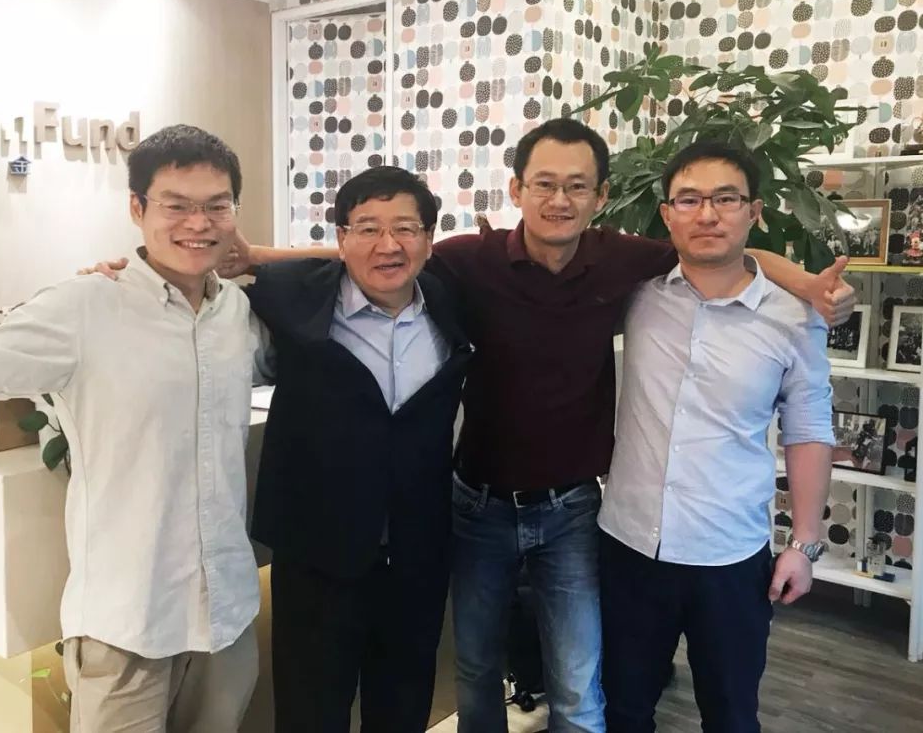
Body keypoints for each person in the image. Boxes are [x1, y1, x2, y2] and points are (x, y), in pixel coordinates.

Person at [221, 117, 856, 733]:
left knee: (579, 684)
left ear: (601, 197)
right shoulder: (471, 261)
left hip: (573, 510)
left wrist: (806, 285)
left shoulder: (624, 263)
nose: (560, 199)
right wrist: (256, 256)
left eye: (577, 186)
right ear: (516, 189)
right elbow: (380, 250)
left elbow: (726, 250)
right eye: (544, 184)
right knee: (475, 673)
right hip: (477, 505)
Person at [0, 125, 261, 733]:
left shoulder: (238, 314)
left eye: (216, 205)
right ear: (137, 208)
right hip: (128, 626)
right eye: (176, 205)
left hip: (227, 621)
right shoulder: (86, 307)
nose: (198, 223)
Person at [87, 165, 472, 733]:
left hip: (417, 556)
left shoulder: (453, 299)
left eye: (406, 228)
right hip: (317, 557)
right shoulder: (293, 297)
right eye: (367, 228)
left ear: (430, 238)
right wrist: (119, 286)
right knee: (309, 713)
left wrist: (261, 252)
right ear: (341, 238)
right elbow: (192, 302)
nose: (388, 245)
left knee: (404, 707)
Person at [597, 141, 834, 733]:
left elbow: (809, 428)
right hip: (630, 545)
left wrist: (804, 544)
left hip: (730, 555)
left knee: (730, 715)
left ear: (754, 212)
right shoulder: (638, 296)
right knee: (623, 711)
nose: (707, 214)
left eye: (726, 199)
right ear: (667, 213)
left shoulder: (795, 318)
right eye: (689, 200)